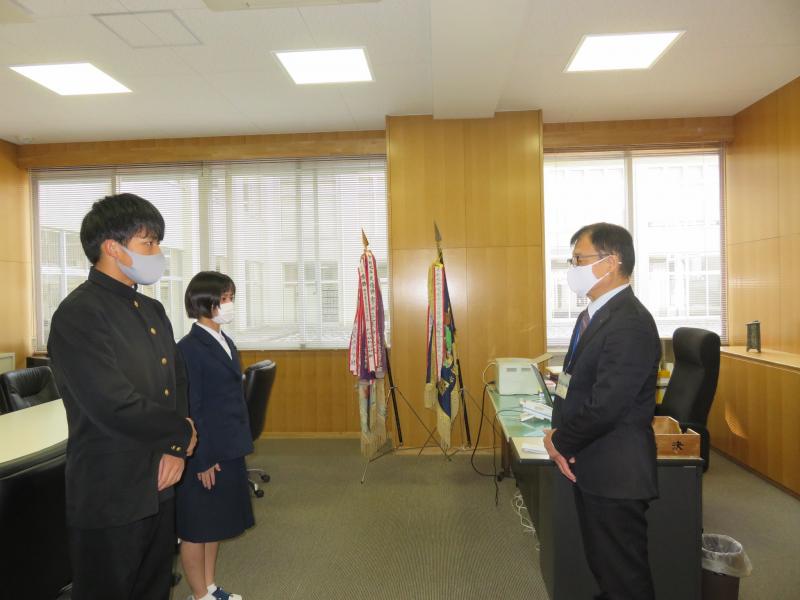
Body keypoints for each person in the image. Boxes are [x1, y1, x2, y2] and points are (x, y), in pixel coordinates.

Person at [48, 193, 198, 599]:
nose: (158, 253)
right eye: (148, 243)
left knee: (154, 587)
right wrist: (180, 434)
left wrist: (175, 449)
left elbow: (177, 382)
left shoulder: (152, 310)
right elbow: (111, 403)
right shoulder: (79, 313)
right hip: (111, 488)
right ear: (113, 248)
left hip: (160, 479)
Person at [543, 222, 661, 600]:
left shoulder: (630, 323)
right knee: (606, 569)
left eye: (579, 259)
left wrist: (560, 440)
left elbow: (607, 406)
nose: (572, 268)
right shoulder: (593, 315)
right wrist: (561, 435)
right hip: (593, 461)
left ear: (611, 263)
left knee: (624, 577)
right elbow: (576, 384)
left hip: (616, 472)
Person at [176, 271, 255, 600]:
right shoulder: (189, 348)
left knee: (215, 523)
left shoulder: (224, 340)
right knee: (196, 528)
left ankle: (209, 586)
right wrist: (202, 458)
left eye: (231, 297)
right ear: (204, 302)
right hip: (204, 452)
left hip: (228, 446)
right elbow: (191, 407)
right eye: (224, 298)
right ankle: (199, 595)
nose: (229, 304)